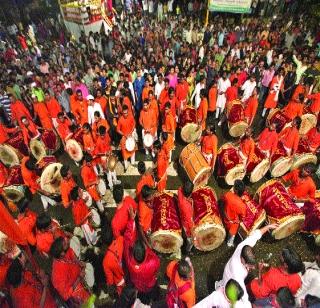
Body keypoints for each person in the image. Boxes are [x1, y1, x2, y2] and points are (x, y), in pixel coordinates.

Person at [215, 224, 278, 306]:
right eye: (249, 265)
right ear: (242, 259)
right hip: (230, 278)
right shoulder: (237, 274)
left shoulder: (243, 247)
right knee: (227, 293)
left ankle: (220, 286)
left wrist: (268, 226)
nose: (252, 267)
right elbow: (243, 294)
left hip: (228, 271)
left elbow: (256, 235)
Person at [123, 207, 160, 304]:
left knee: (144, 297)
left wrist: (131, 220)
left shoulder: (129, 259)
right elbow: (157, 266)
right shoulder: (152, 261)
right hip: (150, 285)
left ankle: (146, 302)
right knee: (154, 294)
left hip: (138, 285)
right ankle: (154, 300)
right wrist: (152, 249)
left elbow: (127, 238)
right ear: (145, 253)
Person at [50, 237, 92, 306]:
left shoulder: (66, 251)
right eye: (64, 244)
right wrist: (79, 278)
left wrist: (79, 262)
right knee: (88, 305)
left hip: (80, 281)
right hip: (76, 293)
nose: (67, 241)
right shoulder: (58, 274)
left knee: (90, 300)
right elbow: (66, 295)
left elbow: (73, 257)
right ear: (62, 253)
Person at [93, 125, 120, 190]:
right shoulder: (98, 142)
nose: (103, 136)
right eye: (101, 135)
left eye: (104, 134)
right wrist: (104, 153)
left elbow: (109, 143)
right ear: (99, 133)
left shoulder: (107, 135)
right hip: (103, 159)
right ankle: (111, 185)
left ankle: (115, 181)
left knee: (113, 169)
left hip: (110, 155)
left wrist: (110, 152)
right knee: (108, 173)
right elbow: (96, 153)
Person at [221, 180, 247, 247]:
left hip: (224, 217)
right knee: (232, 234)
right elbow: (242, 218)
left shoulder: (228, 195)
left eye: (234, 187)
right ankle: (229, 243)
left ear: (236, 191)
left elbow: (222, 202)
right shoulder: (242, 206)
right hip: (232, 224)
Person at [103, 227, 125, 295]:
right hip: (129, 274)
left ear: (104, 244)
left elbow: (110, 280)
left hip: (120, 282)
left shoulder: (105, 261)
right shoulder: (121, 239)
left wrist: (109, 285)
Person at [117, 104, 137, 171]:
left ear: (128, 111)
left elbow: (134, 124)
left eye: (126, 113)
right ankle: (126, 165)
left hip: (130, 135)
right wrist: (124, 135)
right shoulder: (120, 119)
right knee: (124, 150)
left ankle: (133, 161)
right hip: (124, 137)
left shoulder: (131, 116)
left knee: (133, 148)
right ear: (122, 112)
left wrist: (131, 133)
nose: (125, 114)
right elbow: (118, 130)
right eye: (124, 113)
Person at [177, 180, 194, 252]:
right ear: (190, 193)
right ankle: (187, 250)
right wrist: (193, 232)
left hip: (182, 215)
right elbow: (190, 224)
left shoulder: (179, 190)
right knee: (190, 241)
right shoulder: (187, 208)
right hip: (186, 225)